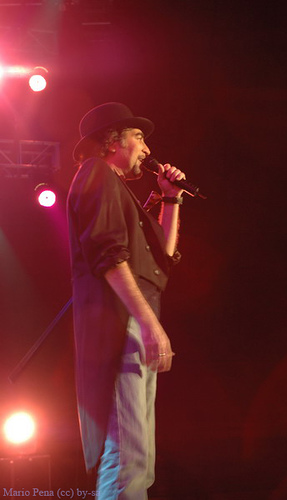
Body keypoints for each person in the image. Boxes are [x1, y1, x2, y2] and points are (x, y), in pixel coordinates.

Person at [67, 102, 185, 499]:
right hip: (121, 323)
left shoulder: (118, 189)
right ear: (112, 140)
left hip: (133, 319)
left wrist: (171, 200)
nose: (146, 149)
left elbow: (161, 260)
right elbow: (109, 256)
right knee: (129, 455)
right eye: (138, 137)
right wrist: (149, 324)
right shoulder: (95, 174)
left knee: (139, 456)